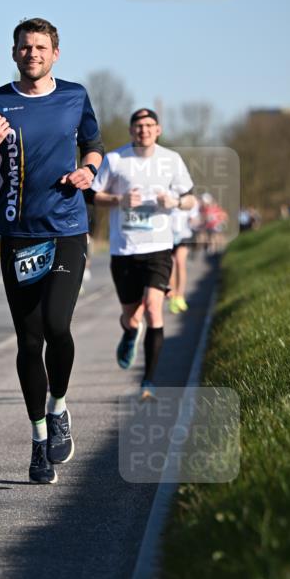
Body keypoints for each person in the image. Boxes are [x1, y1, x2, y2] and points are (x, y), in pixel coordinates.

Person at [0, 18, 104, 484]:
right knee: (29, 341)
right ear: (14, 52)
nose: (32, 54)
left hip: (65, 228)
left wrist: (88, 171)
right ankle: (39, 442)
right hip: (19, 236)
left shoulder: (75, 96)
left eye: (41, 47)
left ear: (55, 54)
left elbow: (94, 146)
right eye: (25, 47)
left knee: (58, 325)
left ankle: (59, 405)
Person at [90, 108, 195, 400]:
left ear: (158, 130)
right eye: (138, 126)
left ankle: (148, 381)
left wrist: (174, 201)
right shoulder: (114, 160)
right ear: (131, 130)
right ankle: (129, 331)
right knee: (131, 315)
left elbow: (191, 198)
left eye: (149, 125)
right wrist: (119, 200)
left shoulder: (171, 160)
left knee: (153, 308)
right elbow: (92, 195)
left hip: (159, 248)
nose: (144, 130)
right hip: (124, 250)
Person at [168, 200, 198, 312]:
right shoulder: (166, 193)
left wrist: (195, 222)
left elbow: (194, 218)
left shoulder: (189, 199)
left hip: (184, 236)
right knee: (171, 265)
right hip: (169, 237)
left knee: (180, 262)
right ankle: (173, 295)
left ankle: (180, 296)